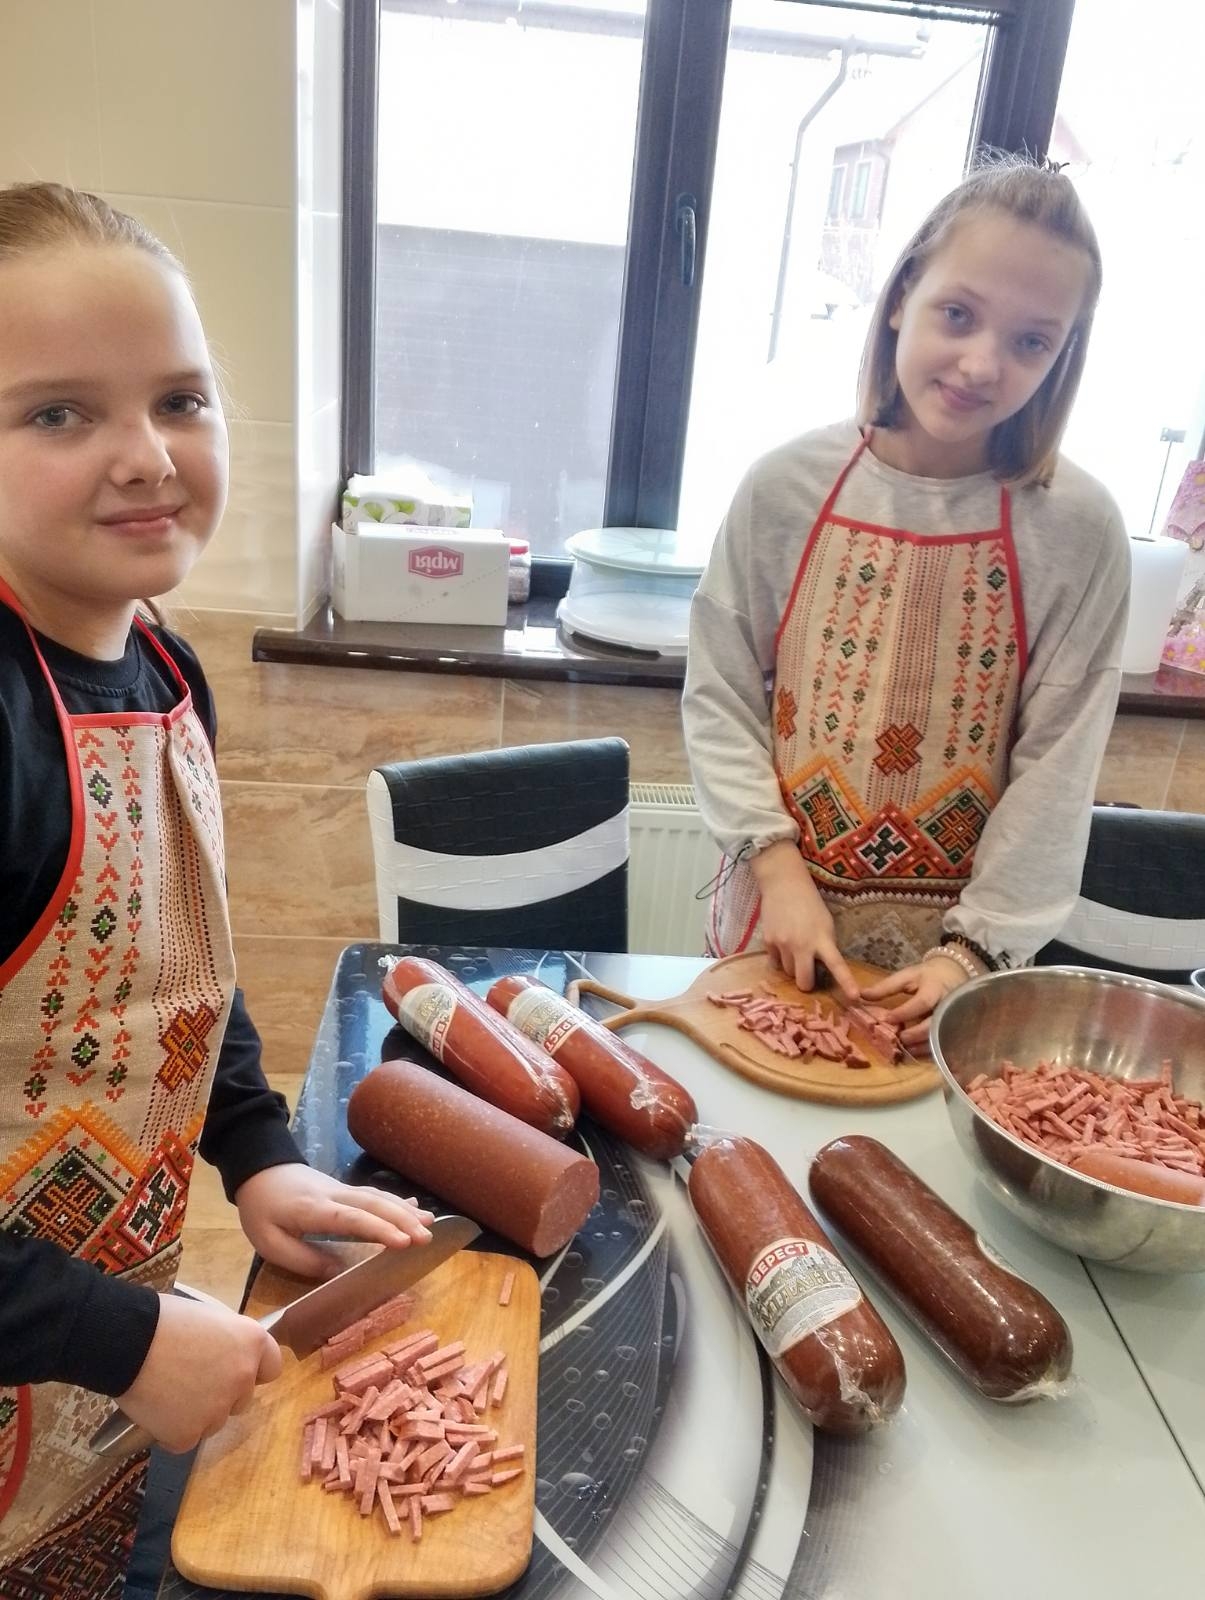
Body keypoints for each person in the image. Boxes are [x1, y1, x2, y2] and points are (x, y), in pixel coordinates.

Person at [0, 182, 433, 1598]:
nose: (146, 457)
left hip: (81, 1385)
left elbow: (182, 955)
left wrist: (257, 1151)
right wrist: (120, 1334)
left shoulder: (167, 671)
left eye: (180, 399)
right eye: (58, 414)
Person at [683, 157, 1130, 1049]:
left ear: (1062, 355)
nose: (980, 364)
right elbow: (720, 693)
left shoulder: (1078, 531)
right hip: (774, 932)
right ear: (899, 298)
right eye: (957, 314)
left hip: (950, 977)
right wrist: (777, 872)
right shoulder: (783, 488)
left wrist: (972, 953)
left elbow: (1056, 768)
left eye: (1030, 341)